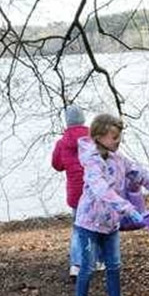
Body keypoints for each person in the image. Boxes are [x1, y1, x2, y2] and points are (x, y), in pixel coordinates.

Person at [71, 113, 149, 296]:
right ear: (100, 136)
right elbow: (101, 189)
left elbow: (142, 175)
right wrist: (127, 208)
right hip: (89, 224)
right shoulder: (92, 162)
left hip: (111, 224)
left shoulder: (119, 159)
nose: (118, 141)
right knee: (87, 267)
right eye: (114, 137)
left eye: (119, 136)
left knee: (114, 265)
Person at [51, 104, 92, 281]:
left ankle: (76, 265)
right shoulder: (94, 138)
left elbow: (57, 165)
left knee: (78, 229)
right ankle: (97, 260)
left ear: (67, 122)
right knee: (96, 226)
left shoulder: (62, 143)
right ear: (83, 119)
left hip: (75, 192)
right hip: (94, 189)